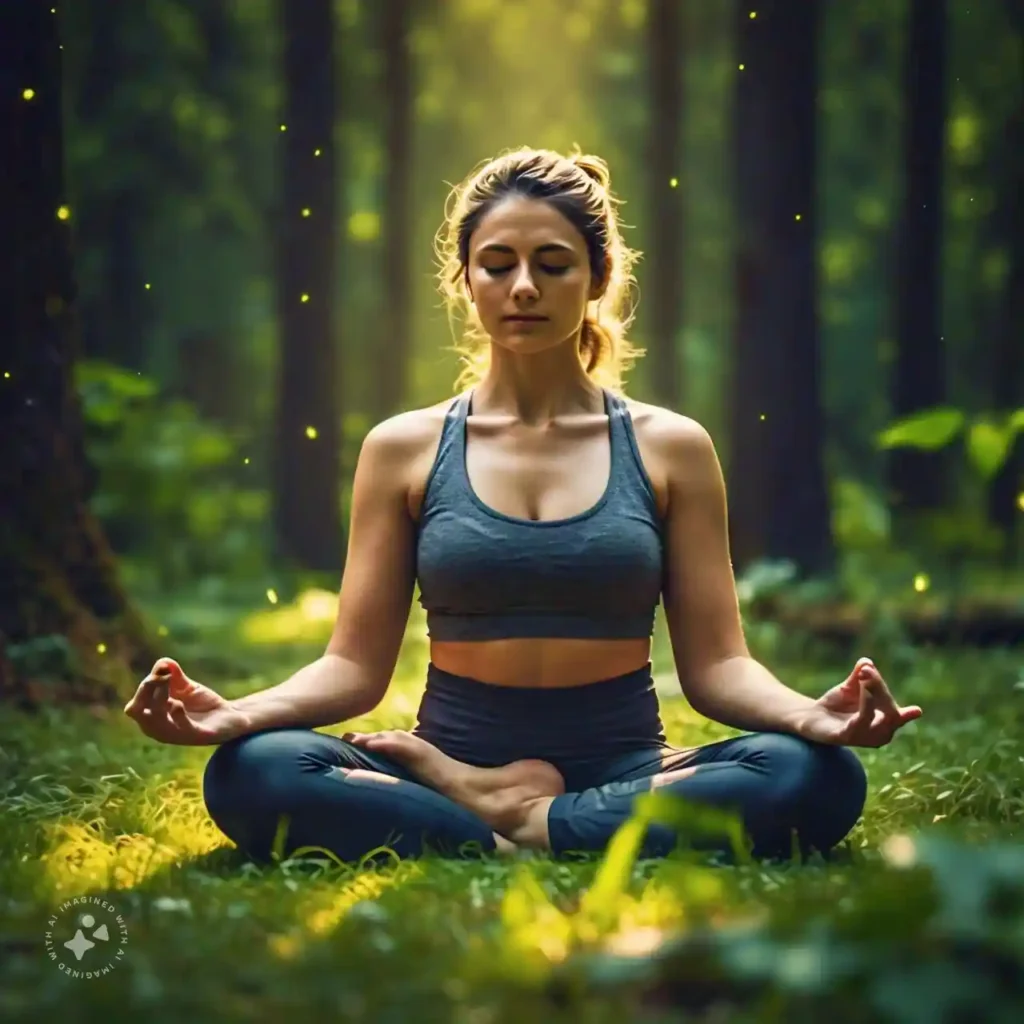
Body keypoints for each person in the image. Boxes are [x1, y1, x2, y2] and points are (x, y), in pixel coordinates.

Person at [123, 146, 923, 866]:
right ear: (465, 280)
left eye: (554, 263)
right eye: (497, 264)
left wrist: (809, 719)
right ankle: (522, 811)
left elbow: (718, 668)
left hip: (626, 765)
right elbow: (353, 668)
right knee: (254, 771)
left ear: (599, 278)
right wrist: (238, 716)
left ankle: (515, 822)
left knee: (809, 777)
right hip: (452, 754)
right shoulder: (402, 448)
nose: (525, 287)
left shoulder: (670, 447)